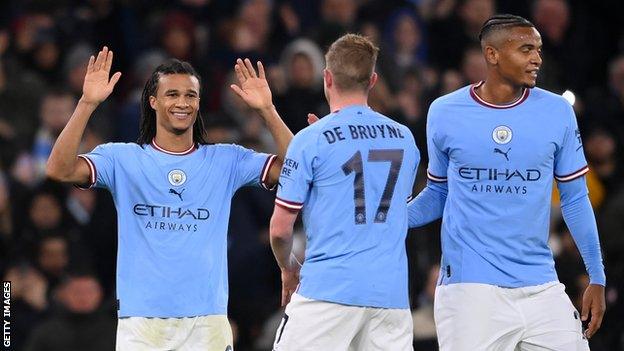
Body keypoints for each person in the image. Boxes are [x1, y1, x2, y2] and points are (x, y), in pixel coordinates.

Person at [45, 47, 293, 350]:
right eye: (172, 94)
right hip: (142, 324)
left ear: (199, 103)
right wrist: (86, 104)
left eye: (190, 96)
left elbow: (296, 167)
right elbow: (58, 169)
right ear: (153, 102)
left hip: (207, 321)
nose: (182, 103)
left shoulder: (226, 160)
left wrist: (267, 110)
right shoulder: (122, 159)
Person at [407, 14, 606, 350]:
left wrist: (596, 275)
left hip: (542, 284)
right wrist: (389, 218)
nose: (537, 59)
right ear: (492, 55)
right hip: (470, 289)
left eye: (539, 50)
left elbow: (574, 199)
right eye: (526, 49)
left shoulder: (558, 111)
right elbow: (439, 193)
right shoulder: (444, 111)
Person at [269, 34, 419, 350]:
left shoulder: (311, 140)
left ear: (327, 77)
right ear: (373, 80)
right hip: (389, 297)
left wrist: (288, 268)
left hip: (328, 292)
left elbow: (281, 230)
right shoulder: (405, 139)